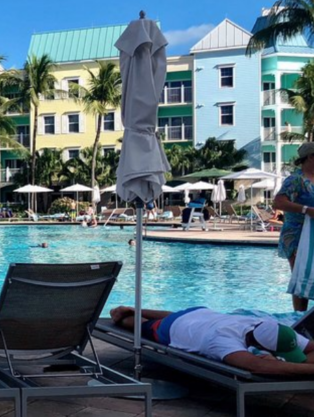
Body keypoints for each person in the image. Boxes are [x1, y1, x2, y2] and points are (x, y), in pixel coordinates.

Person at [110, 306, 314, 375]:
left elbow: (310, 348)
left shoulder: (276, 330)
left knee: (187, 316)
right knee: (138, 324)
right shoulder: (224, 343)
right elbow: (258, 367)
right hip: (172, 329)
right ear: (258, 346)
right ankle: (129, 313)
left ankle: (135, 308)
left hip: (201, 314)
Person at [274, 142, 314, 312]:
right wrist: (306, 210)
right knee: (301, 275)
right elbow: (278, 201)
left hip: (312, 233)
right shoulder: (295, 180)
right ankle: (299, 317)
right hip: (296, 234)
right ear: (311, 157)